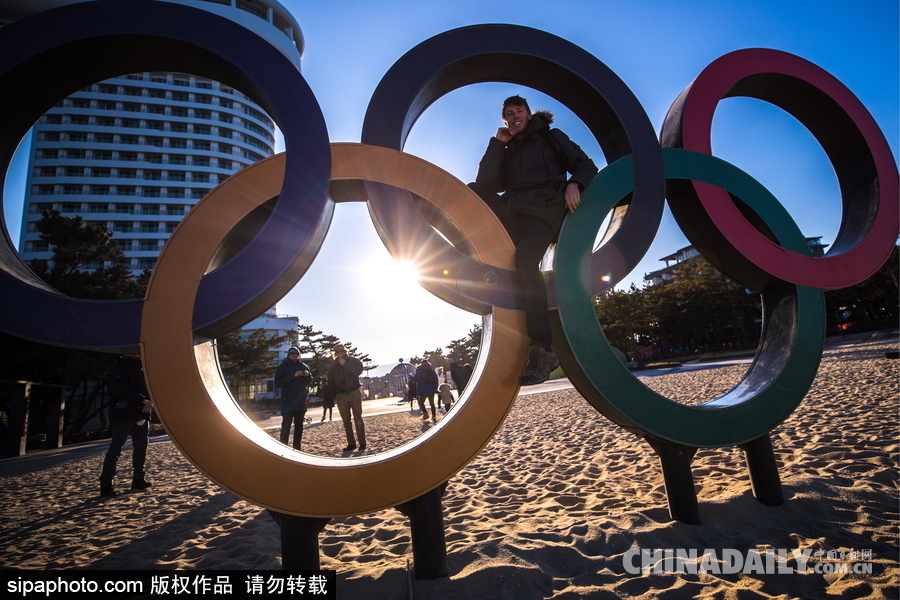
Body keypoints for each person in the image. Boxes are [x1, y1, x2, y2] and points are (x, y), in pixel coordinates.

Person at [469, 95, 598, 386]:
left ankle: (543, 350)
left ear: (529, 113)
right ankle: (463, 245)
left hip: (544, 210)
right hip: (514, 210)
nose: (515, 116)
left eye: (519, 111)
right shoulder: (508, 147)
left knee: (525, 263)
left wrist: (574, 184)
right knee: (473, 190)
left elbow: (585, 164)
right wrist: (498, 143)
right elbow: (487, 183)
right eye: (509, 114)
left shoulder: (550, 137)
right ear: (505, 121)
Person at [99, 353, 153, 497]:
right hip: (124, 414)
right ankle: (106, 484)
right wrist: (143, 401)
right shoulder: (118, 368)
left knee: (141, 447)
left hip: (141, 413)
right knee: (115, 449)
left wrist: (148, 403)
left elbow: (150, 387)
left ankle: (138, 479)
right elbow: (120, 390)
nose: (139, 353)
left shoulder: (144, 367)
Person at [327, 344, 366, 452]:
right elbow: (330, 382)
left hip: (354, 392)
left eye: (342, 351)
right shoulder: (333, 367)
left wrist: (346, 364)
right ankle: (351, 443)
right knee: (346, 420)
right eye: (338, 352)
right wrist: (334, 395)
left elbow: (358, 371)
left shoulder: (353, 361)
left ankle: (362, 443)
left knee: (358, 418)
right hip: (341, 395)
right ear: (335, 353)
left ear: (345, 351)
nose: (340, 353)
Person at [274, 347, 311, 450]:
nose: (294, 355)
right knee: (286, 427)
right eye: (292, 353)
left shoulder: (303, 366)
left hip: (300, 402)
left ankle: (297, 448)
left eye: (296, 353)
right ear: (288, 355)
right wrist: (293, 375)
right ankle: (283, 448)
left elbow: (309, 381)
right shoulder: (282, 367)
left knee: (299, 428)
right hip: (288, 402)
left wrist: (307, 375)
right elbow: (278, 382)